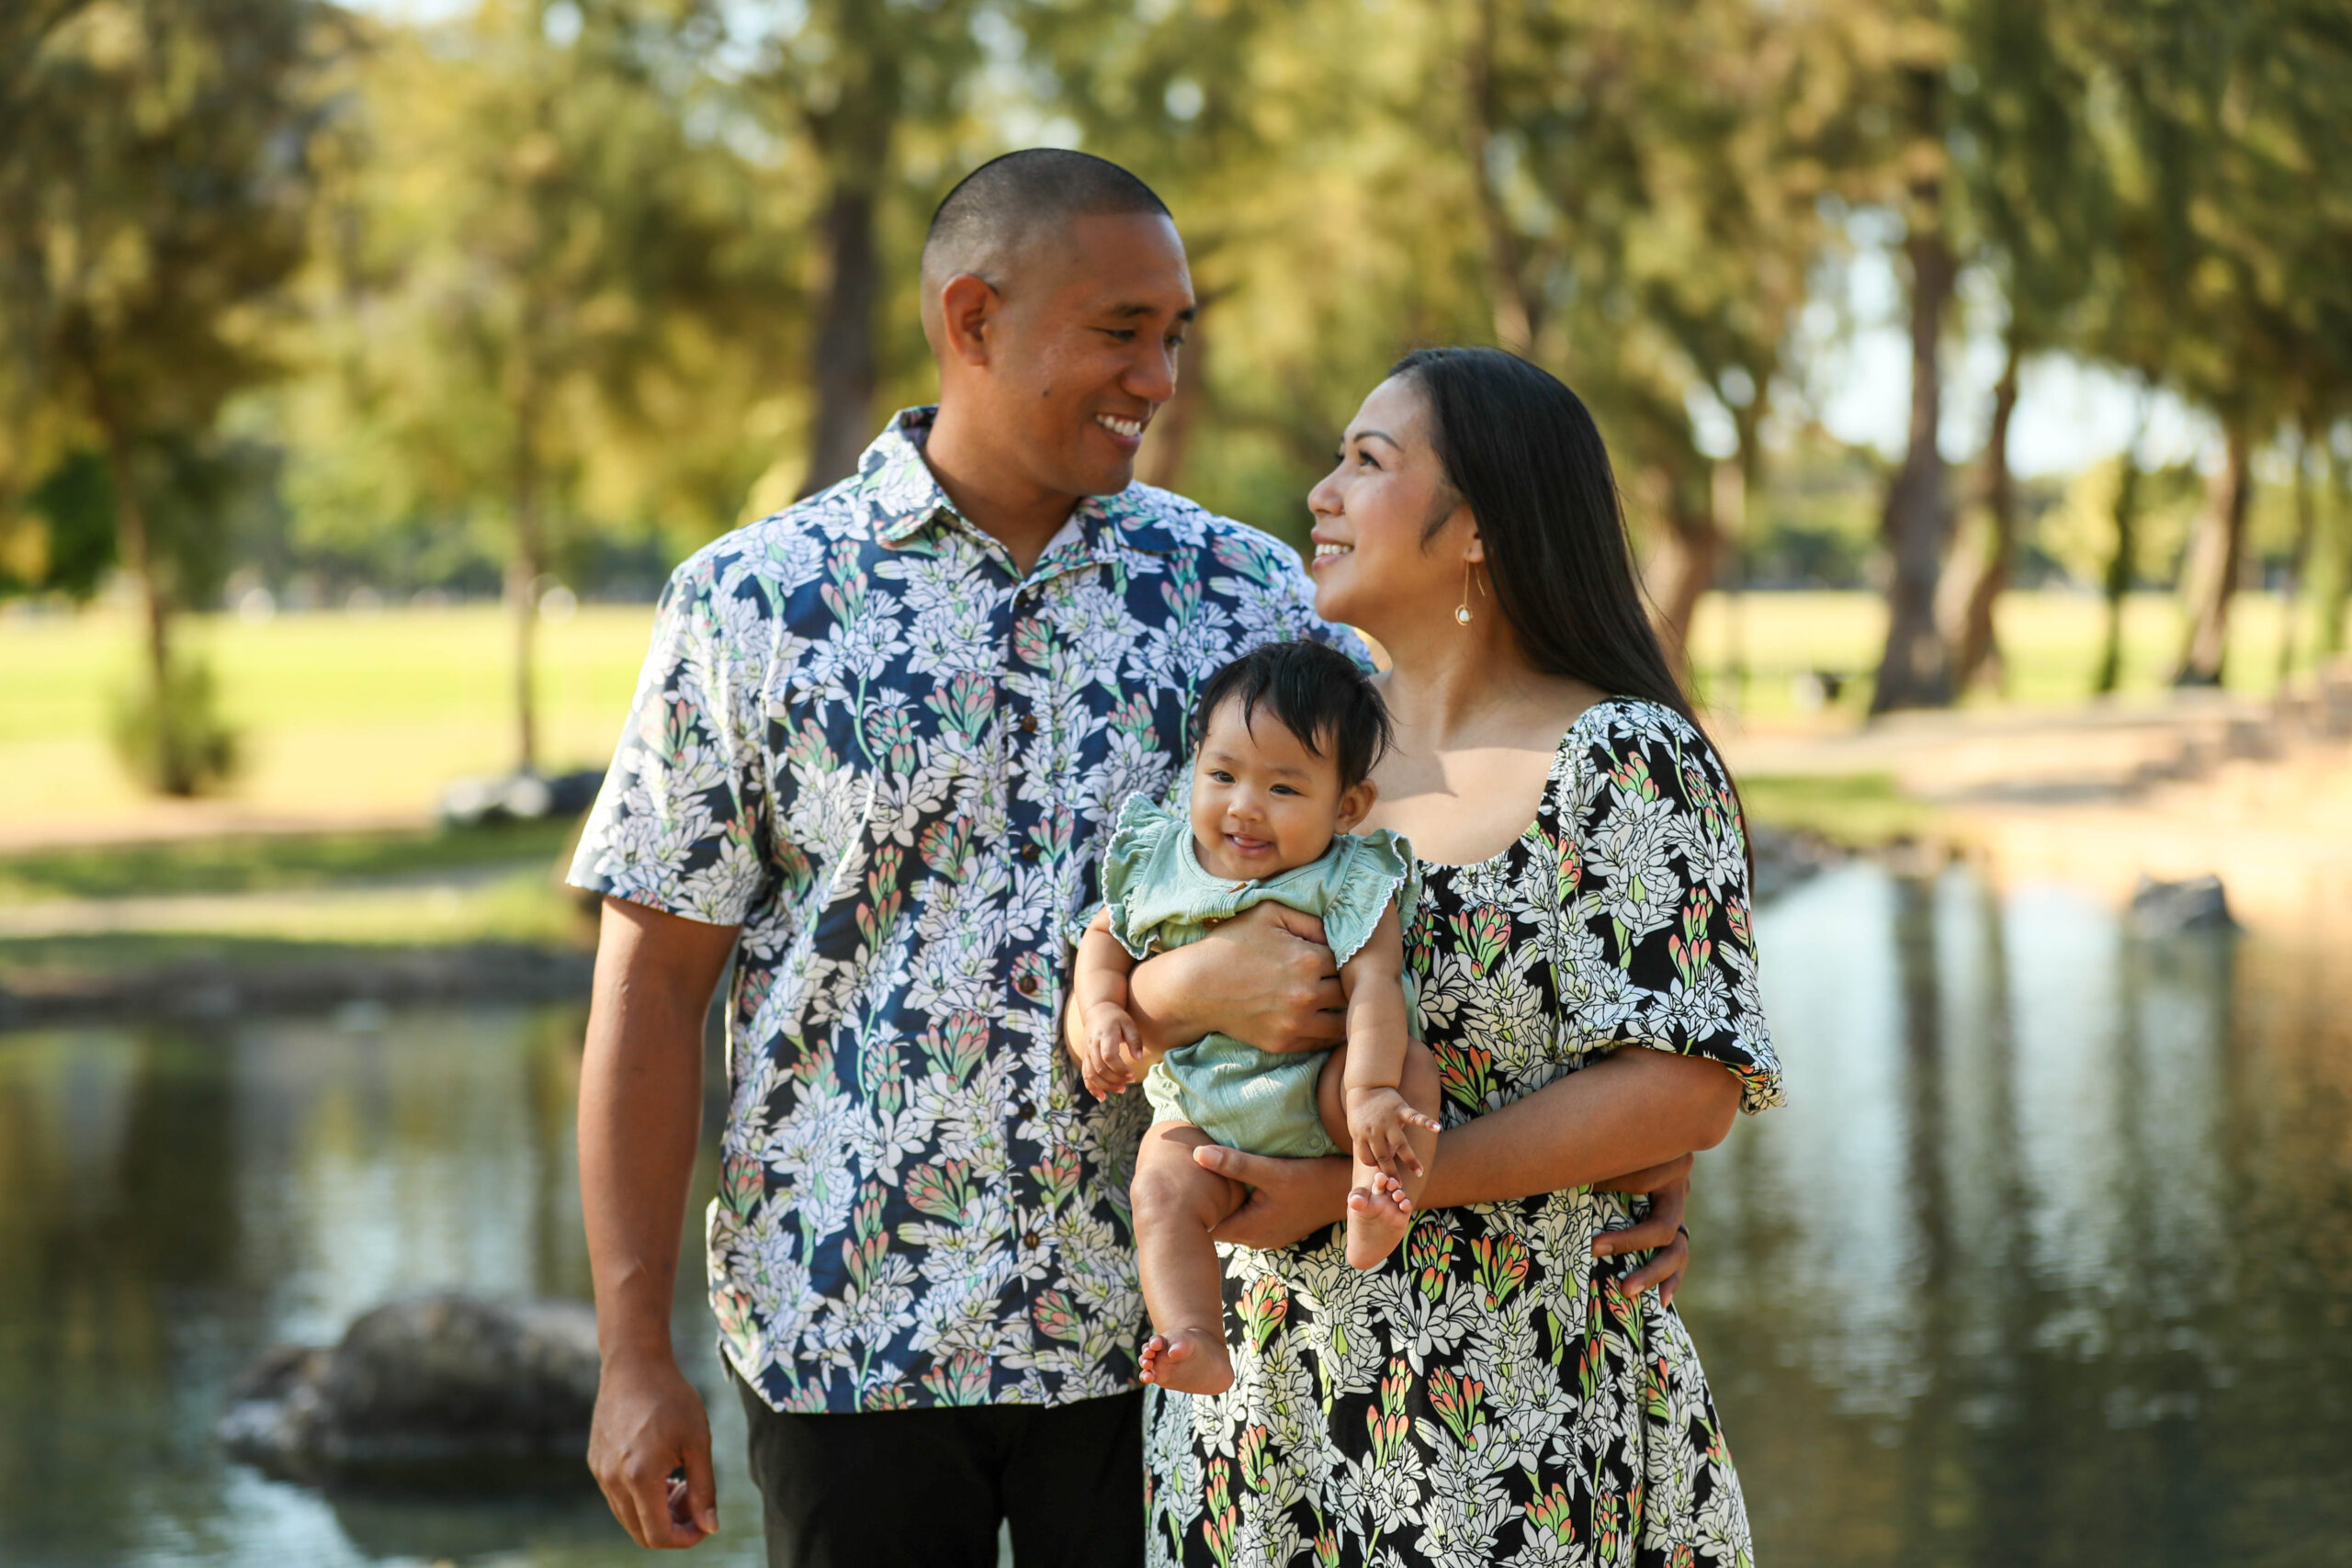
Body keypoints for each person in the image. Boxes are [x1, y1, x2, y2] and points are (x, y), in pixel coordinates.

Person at [569, 144, 1692, 1568]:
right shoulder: (750, 602)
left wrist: (1617, 1137)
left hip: (1175, 1347)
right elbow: (651, 988)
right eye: (1120, 332)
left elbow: (1441, 882)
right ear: (972, 319)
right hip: (846, 1330)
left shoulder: (1256, 593)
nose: (1159, 377)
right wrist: (630, 1348)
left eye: (1175, 335)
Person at [1124, 347, 1782, 1566]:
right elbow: (1144, 953)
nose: (1320, 490)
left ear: (1476, 525)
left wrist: (1388, 1184)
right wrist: (1170, 994)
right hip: (1263, 1418)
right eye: (1336, 457)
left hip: (1519, 1410)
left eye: (1368, 462)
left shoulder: (1622, 757)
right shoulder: (1288, 750)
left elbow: (1690, 1083)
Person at [1071, 640, 1442, 1397]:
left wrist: (1369, 1090)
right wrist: (1105, 1007)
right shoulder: (1161, 860)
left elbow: (1375, 983)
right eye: (1222, 776)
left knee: (1412, 1074)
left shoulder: (1349, 873)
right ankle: (1194, 1333)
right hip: (1205, 1113)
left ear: (1347, 806)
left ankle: (1378, 1195)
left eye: (1282, 787)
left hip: (1326, 1088)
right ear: (1195, 766)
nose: (1243, 806)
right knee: (1160, 1189)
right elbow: (1103, 937)